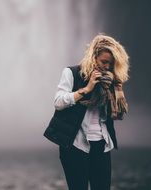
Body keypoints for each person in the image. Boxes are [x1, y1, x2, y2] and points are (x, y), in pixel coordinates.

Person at [44, 34, 129, 190]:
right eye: (104, 62)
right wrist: (87, 88)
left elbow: (118, 115)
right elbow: (58, 102)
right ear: (93, 57)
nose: (108, 67)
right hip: (75, 145)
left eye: (111, 64)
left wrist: (117, 92)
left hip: (102, 145)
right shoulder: (72, 73)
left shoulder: (112, 82)